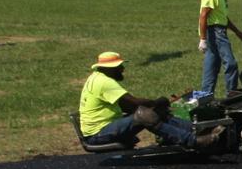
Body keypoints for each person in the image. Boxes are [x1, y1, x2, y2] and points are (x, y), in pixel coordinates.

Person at [78, 51, 223, 150]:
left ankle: (195, 130)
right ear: (108, 69)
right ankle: (193, 141)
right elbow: (134, 103)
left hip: (105, 128)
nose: (122, 69)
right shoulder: (104, 82)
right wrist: (156, 102)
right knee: (143, 114)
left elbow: (127, 106)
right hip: (97, 135)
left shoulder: (97, 77)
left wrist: (155, 107)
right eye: (119, 66)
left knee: (150, 112)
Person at [198, 0, 242, 97]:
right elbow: (203, 15)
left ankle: (205, 97)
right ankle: (231, 96)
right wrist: (202, 39)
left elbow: (223, 18)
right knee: (231, 64)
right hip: (215, 32)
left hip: (217, 30)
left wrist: (237, 32)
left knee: (211, 66)